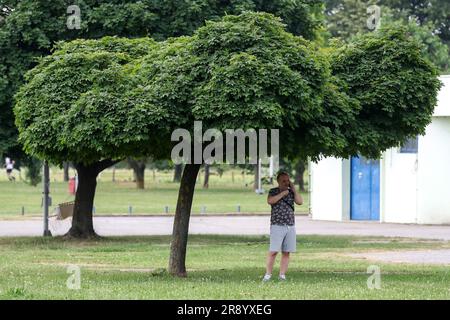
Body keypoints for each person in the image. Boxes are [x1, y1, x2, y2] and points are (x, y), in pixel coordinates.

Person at [263, 170, 303, 281]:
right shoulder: (273, 191)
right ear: (278, 181)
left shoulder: (291, 192)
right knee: (273, 251)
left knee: (286, 252)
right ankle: (268, 275)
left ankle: (282, 275)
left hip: (290, 225)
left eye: (287, 180)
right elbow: (270, 201)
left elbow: (300, 202)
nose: (286, 183)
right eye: (283, 181)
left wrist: (294, 189)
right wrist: (282, 194)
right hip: (277, 225)